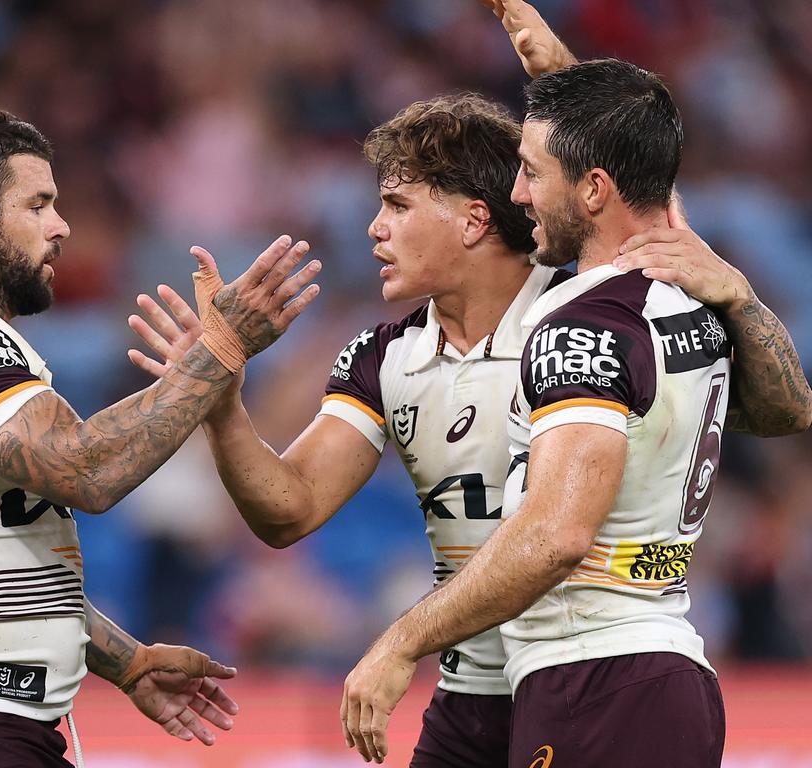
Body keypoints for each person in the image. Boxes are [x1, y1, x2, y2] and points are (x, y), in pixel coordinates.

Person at [128, 4, 811, 766]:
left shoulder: (578, 307)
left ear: (474, 219)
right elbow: (287, 510)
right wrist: (221, 405)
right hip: (476, 689)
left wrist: (562, 76)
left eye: (396, 206)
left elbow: (628, 190)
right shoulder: (382, 358)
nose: (373, 230)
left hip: (583, 665)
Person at [337, 55, 812, 766]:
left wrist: (401, 642)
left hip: (595, 680)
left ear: (592, 189)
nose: (518, 193)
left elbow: (558, 534)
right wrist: (741, 297)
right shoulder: (690, 300)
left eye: (532, 171)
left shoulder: (582, 331)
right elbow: (788, 409)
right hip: (657, 668)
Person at [0, 106, 321, 766]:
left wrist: (126, 662)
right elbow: (87, 471)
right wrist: (220, 346)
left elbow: (4, 568)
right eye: (38, 204)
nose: (60, 225)